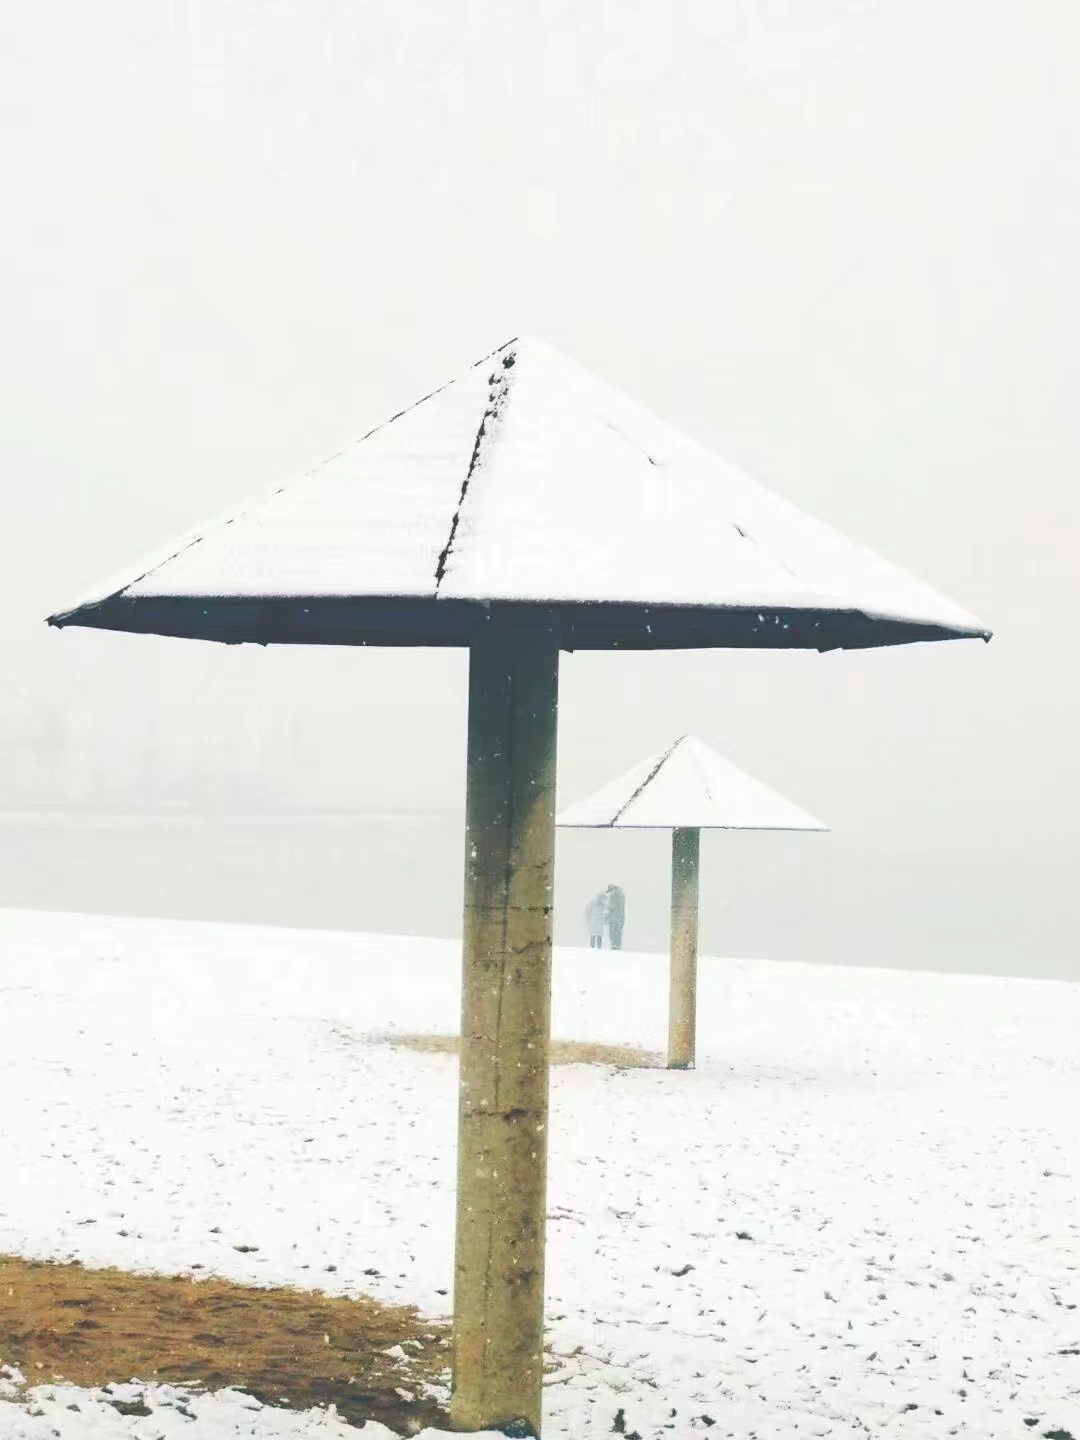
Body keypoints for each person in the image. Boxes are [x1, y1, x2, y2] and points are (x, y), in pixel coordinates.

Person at [605, 884, 626, 950]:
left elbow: (612, 908)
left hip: (615, 919)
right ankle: (616, 946)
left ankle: (615, 946)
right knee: (618, 933)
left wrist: (607, 917)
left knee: (614, 933)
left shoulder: (615, 895)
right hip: (620, 918)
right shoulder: (620, 895)